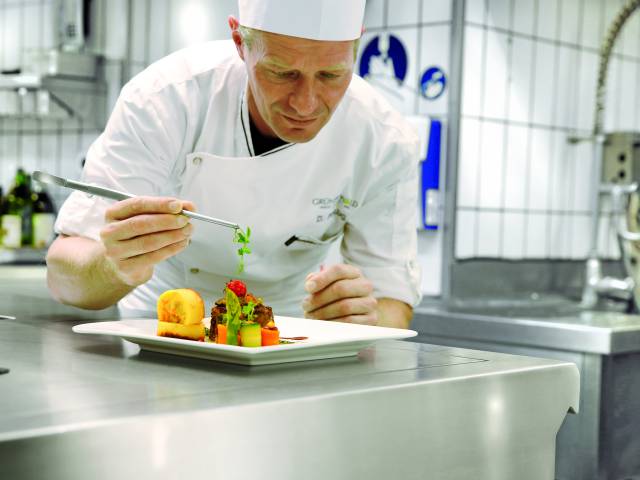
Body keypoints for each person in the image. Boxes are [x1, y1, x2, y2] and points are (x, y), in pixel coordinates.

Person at [46, 0, 421, 329]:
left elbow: (393, 304)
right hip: (162, 331)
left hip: (293, 337)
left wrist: (364, 317)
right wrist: (114, 265)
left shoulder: (382, 139)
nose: (305, 104)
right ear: (240, 43)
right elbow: (64, 278)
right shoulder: (165, 100)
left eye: (331, 75)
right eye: (282, 72)